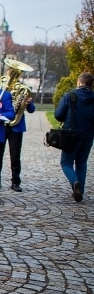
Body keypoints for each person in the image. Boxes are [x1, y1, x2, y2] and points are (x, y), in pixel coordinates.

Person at [55, 72, 94, 202]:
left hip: (71, 136)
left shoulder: (70, 95)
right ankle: (80, 191)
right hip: (88, 135)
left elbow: (58, 115)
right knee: (82, 163)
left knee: (66, 162)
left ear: (79, 82)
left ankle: (74, 182)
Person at [5, 92, 36, 191]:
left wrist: (29, 102)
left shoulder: (21, 90)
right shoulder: (2, 88)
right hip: (1, 125)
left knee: (15, 156)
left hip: (16, 126)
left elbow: (31, 110)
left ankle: (15, 181)